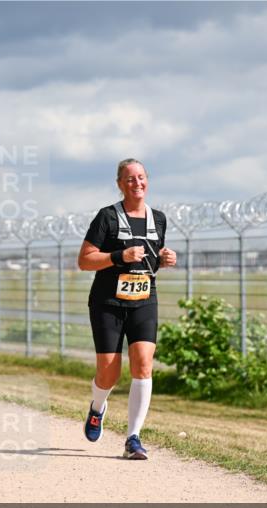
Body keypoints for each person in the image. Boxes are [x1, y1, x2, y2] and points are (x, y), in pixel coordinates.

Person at [77, 159, 177, 459]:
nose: (137, 183)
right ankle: (97, 408)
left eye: (142, 177)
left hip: (144, 300)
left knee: (143, 364)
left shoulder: (157, 219)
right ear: (120, 183)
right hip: (108, 303)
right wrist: (119, 255)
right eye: (130, 179)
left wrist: (163, 259)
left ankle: (133, 438)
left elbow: (149, 260)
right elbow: (85, 260)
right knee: (109, 374)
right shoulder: (107, 217)